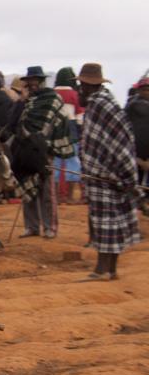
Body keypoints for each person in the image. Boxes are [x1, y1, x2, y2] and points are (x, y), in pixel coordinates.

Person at [78, 63, 141, 280]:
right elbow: (119, 142)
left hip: (103, 174)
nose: (81, 89)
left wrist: (96, 167)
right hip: (114, 172)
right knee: (112, 220)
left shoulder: (97, 105)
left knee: (104, 222)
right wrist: (126, 174)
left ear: (86, 85)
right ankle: (111, 269)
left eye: (82, 85)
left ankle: (101, 269)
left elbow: (104, 142)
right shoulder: (109, 102)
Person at [13, 65, 69, 239]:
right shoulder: (27, 101)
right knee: (27, 187)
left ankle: (50, 227)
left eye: (35, 80)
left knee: (46, 191)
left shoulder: (54, 99)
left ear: (41, 80)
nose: (32, 84)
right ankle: (32, 227)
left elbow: (62, 123)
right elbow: (14, 122)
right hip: (27, 152)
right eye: (29, 81)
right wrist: (21, 101)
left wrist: (51, 146)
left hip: (45, 150)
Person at [53, 67, 84, 203]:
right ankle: (70, 197)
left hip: (55, 131)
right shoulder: (75, 95)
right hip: (71, 130)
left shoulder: (52, 94)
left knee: (56, 163)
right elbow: (80, 117)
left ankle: (57, 197)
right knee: (72, 163)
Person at [124, 77, 149, 189]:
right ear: (138, 90)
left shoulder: (130, 104)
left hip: (140, 151)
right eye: (144, 89)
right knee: (135, 178)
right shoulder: (132, 105)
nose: (146, 92)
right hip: (135, 150)